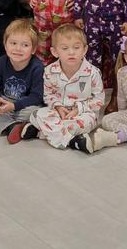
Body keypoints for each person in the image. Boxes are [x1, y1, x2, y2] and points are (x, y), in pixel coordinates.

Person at [19, 23, 104, 152]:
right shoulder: (49, 71)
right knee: (36, 114)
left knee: (80, 123)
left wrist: (78, 109)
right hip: (58, 112)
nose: (71, 52)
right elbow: (48, 95)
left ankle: (41, 133)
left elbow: (98, 100)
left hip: (83, 113)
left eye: (76, 47)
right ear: (55, 52)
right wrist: (58, 106)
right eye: (65, 48)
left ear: (85, 49)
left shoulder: (93, 73)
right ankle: (72, 141)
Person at [0, 18, 44, 142]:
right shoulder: (1, 62)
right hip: (6, 101)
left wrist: (14, 106)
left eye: (25, 45)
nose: (18, 49)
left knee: (36, 112)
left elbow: (37, 97)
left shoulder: (37, 68)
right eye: (13, 43)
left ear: (33, 49)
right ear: (5, 45)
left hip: (24, 105)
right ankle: (10, 126)